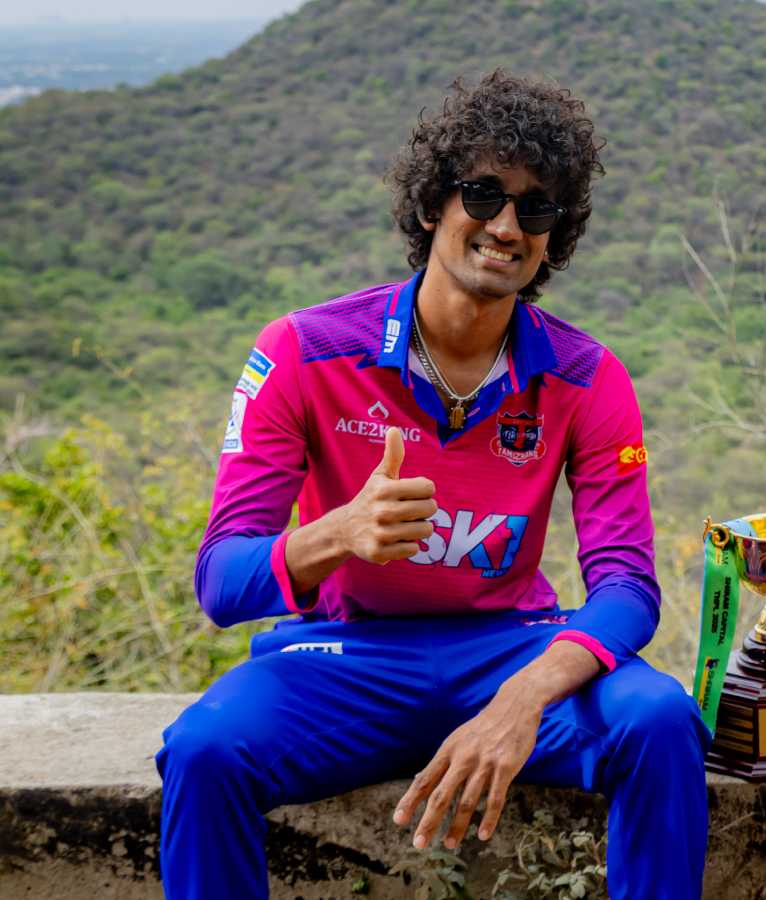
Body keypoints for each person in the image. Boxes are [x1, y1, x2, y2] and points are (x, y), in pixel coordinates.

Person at [156, 70, 709, 900]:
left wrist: (523, 698)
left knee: (661, 721)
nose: (506, 226)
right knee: (204, 752)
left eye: (537, 209)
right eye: (483, 194)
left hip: (511, 648)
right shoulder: (302, 352)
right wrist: (337, 534)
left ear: (555, 236)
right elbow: (221, 583)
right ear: (430, 207)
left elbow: (627, 587)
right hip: (345, 658)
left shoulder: (588, 378)